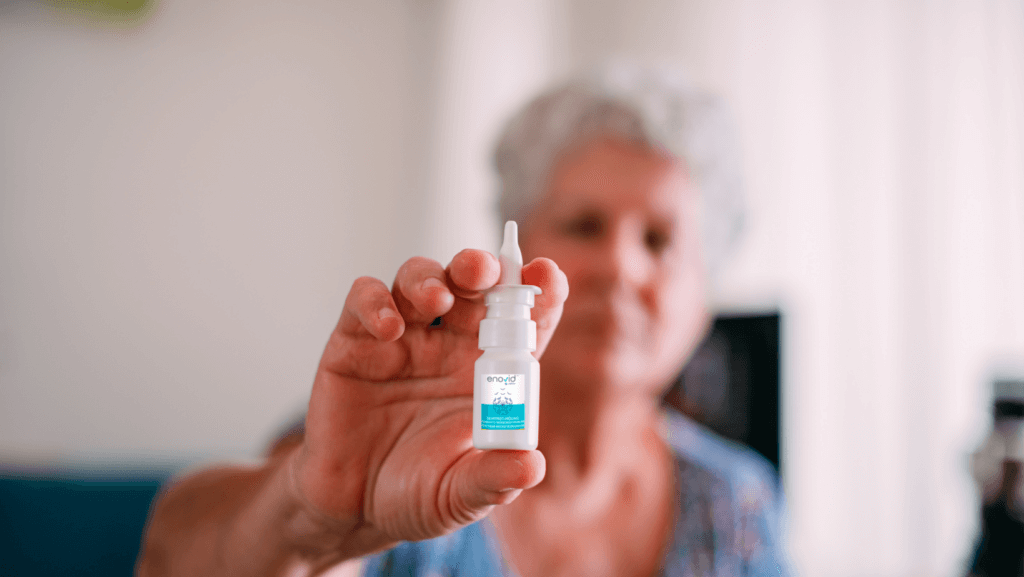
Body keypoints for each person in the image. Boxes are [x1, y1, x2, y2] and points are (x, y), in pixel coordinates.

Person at [137, 65, 789, 577]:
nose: (621, 266)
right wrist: (310, 518)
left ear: (706, 293)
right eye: (583, 224)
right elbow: (168, 558)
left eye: (659, 240)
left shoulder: (735, 502)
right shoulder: (400, 440)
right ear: (518, 254)